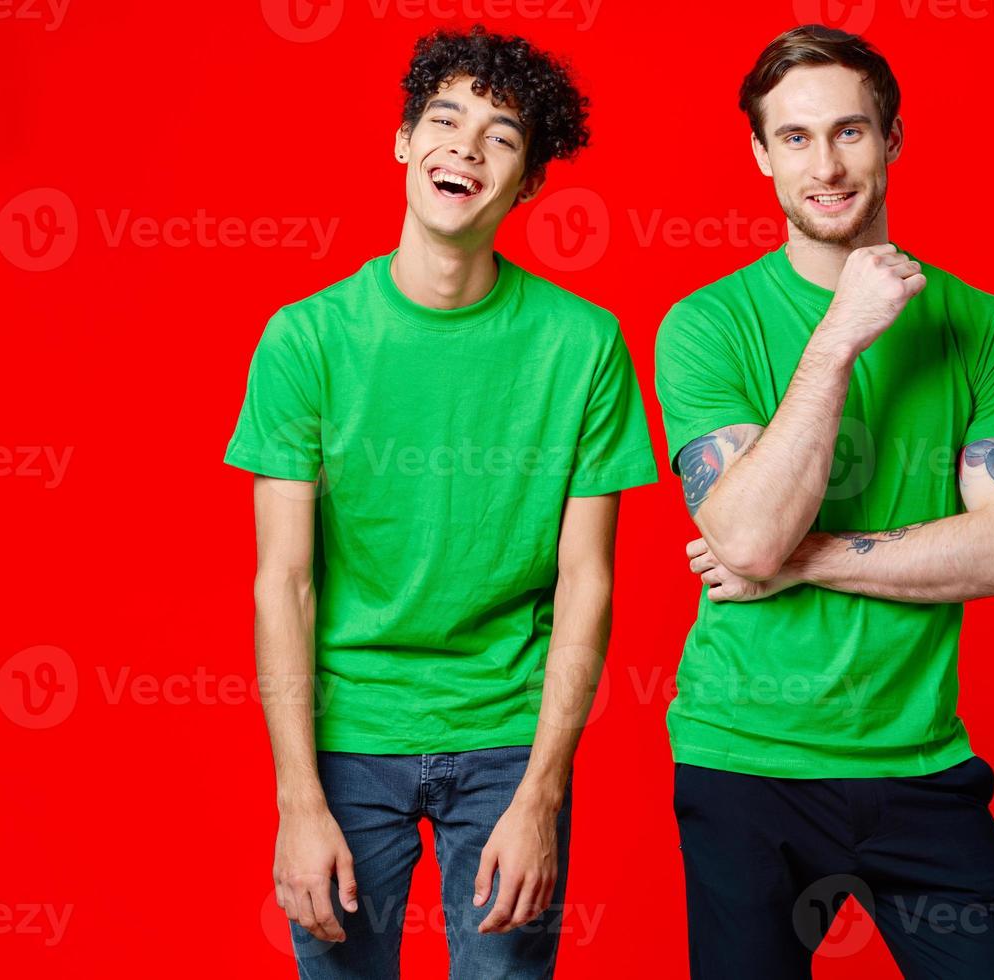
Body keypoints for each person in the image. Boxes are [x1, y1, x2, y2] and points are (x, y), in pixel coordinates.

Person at [224, 25, 656, 979]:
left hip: (509, 738)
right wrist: (298, 800)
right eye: (446, 120)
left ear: (532, 181)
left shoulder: (584, 345)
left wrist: (543, 793)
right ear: (404, 143)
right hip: (348, 740)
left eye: (501, 136)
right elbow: (283, 582)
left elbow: (587, 581)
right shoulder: (306, 340)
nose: (465, 145)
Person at [654, 24, 994, 980]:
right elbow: (746, 533)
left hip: (920, 763)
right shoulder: (704, 325)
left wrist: (806, 558)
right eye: (794, 138)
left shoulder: (984, 326)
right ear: (759, 154)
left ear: (894, 140)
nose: (825, 165)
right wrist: (838, 337)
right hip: (747, 758)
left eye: (850, 132)